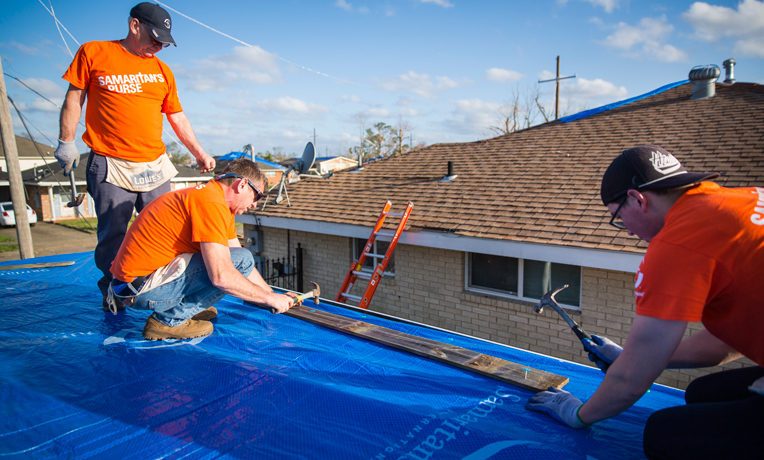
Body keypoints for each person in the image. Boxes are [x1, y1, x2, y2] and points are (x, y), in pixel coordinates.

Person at [526, 145, 763, 459]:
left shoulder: (678, 243)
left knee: (663, 435)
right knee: (703, 394)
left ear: (637, 199)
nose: (628, 231)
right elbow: (725, 343)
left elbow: (630, 382)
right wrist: (636, 357)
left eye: (619, 218)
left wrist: (578, 413)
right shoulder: (742, 198)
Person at [53, 2, 215, 310]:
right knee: (114, 233)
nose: (159, 47)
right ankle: (115, 292)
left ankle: (163, 293)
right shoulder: (95, 52)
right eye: (155, 39)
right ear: (134, 25)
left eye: (164, 43)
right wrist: (66, 141)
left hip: (153, 163)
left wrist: (199, 152)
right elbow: (74, 97)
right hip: (110, 161)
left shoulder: (162, 71)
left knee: (165, 230)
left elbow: (177, 116)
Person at [107, 158, 295, 340]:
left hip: (134, 284)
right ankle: (168, 321)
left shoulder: (215, 200)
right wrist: (268, 300)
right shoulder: (210, 203)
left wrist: (271, 295)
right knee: (231, 265)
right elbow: (224, 275)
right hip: (140, 291)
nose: (255, 204)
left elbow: (237, 257)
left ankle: (184, 307)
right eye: (257, 196)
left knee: (235, 258)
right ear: (242, 185)